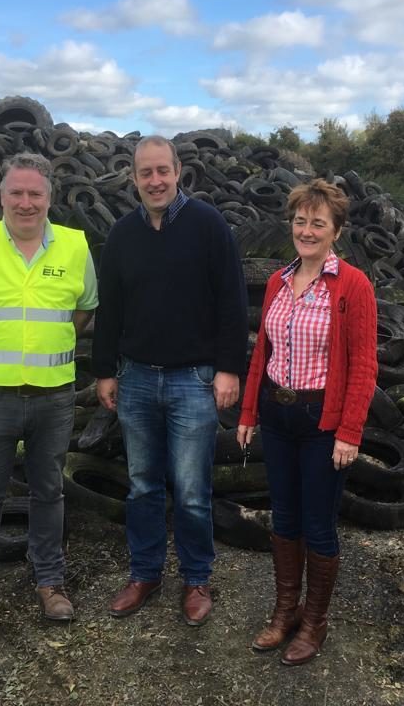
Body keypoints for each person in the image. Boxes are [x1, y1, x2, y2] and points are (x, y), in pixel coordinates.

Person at [92, 135, 248, 626]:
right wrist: (103, 371)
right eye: (145, 173)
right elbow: (110, 308)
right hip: (136, 378)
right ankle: (145, 574)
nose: (155, 181)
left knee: (192, 489)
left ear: (178, 171)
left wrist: (229, 368)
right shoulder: (122, 235)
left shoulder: (208, 225)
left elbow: (231, 300)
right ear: (133, 177)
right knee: (142, 486)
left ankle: (197, 580)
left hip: (194, 381)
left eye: (163, 171)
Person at [0, 152, 98, 635]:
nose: (26, 203)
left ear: (49, 198)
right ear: (1, 196)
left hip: (53, 396)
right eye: (17, 193)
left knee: (48, 491)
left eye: (35, 194)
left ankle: (50, 584)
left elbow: (83, 310)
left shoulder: (75, 246)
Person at [236, 178, 377, 666]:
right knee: (284, 517)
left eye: (318, 222)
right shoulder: (278, 279)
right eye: (300, 220)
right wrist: (250, 411)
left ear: (336, 230)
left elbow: (363, 364)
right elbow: (263, 353)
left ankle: (314, 622)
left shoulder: (353, 285)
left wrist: (349, 432)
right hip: (277, 413)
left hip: (322, 419)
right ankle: (284, 612)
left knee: (318, 526)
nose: (307, 230)